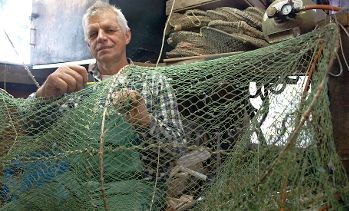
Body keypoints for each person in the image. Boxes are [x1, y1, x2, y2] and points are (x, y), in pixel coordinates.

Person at [31, 1, 184, 142]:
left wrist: (146, 122)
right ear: (88, 44)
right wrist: (43, 94)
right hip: (80, 171)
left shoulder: (154, 81)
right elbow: (29, 128)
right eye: (93, 34)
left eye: (110, 30)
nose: (101, 37)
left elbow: (178, 147)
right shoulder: (73, 85)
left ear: (127, 36)